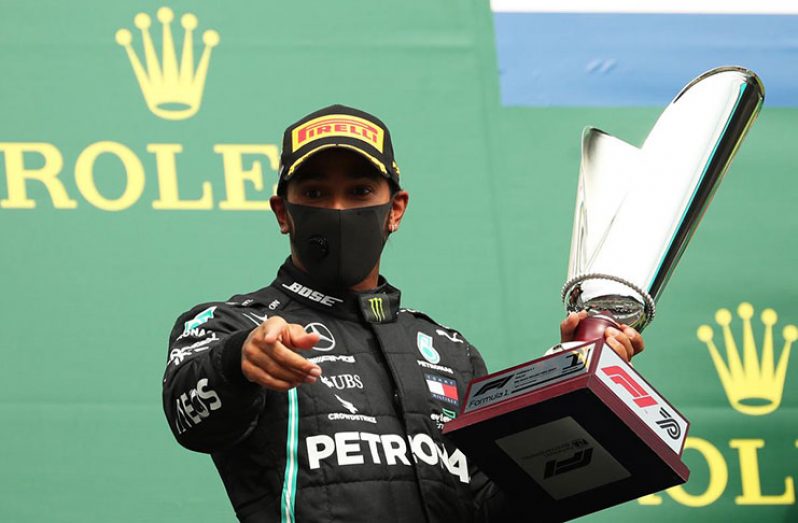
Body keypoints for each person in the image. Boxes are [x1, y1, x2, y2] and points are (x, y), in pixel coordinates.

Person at [162, 105, 644, 522]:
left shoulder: (451, 352)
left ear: (395, 209)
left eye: (358, 192)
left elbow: (495, 506)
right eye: (312, 194)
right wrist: (238, 362)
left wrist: (575, 388)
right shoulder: (236, 325)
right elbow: (191, 416)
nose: (336, 208)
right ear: (282, 212)